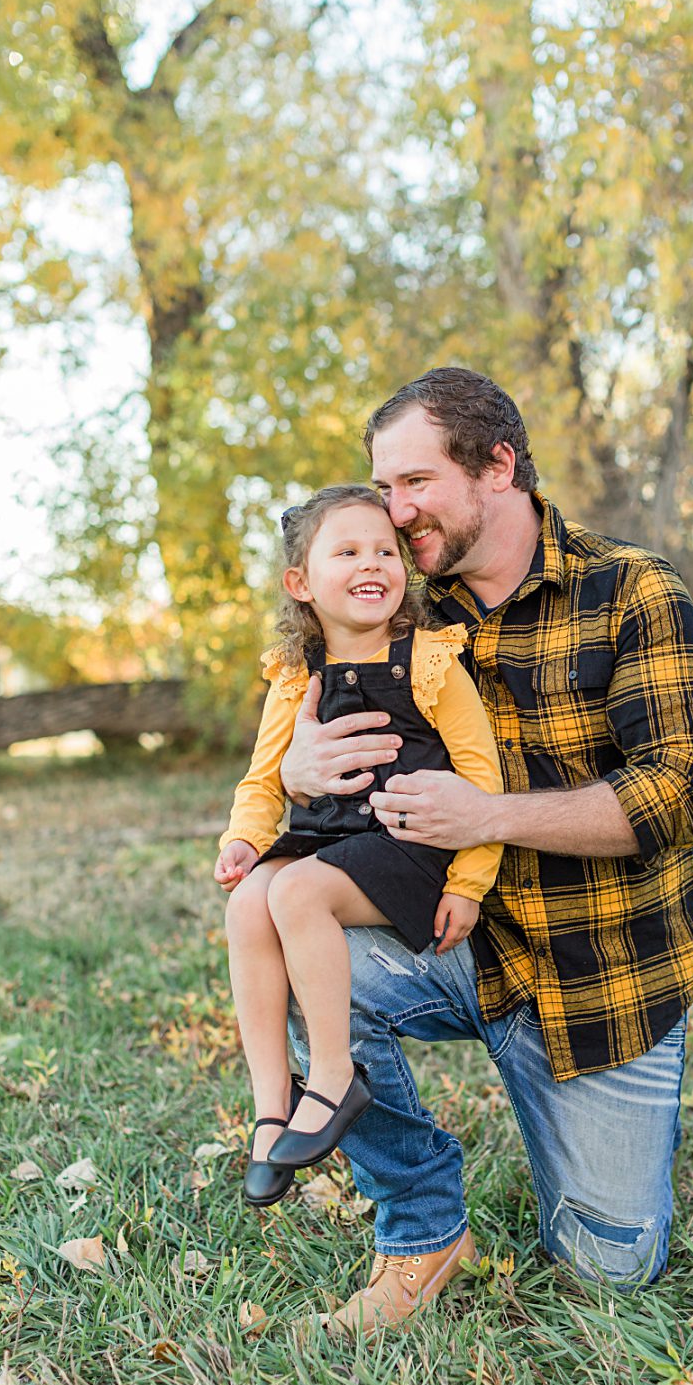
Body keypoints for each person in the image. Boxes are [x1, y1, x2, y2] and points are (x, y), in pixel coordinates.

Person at [276, 368, 693, 1334]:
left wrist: (488, 815)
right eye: (382, 489)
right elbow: (289, 722)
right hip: (452, 944)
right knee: (294, 947)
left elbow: (683, 793)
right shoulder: (400, 611)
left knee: (611, 1270)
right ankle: (424, 1222)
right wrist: (297, 768)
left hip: (600, 983)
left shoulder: (633, 590)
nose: (393, 515)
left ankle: (598, 1126)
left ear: (498, 465)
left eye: (413, 483)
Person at [215, 485, 504, 1210]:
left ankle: (335, 1077)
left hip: (411, 845)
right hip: (332, 837)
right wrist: (244, 840)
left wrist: (470, 880)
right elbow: (264, 778)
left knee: (296, 891)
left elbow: (482, 776)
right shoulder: (294, 673)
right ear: (301, 582)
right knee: (251, 903)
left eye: (385, 550)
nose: (372, 563)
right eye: (346, 551)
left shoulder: (430, 661)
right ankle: (271, 1105)